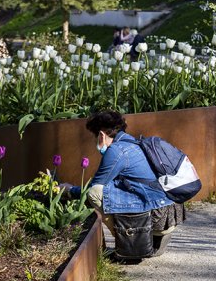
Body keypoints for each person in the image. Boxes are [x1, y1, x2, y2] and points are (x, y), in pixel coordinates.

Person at [61, 110, 182, 257]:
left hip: (156, 217)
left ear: (101, 135)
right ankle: (145, 240)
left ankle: (131, 245)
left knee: (95, 192)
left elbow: (95, 186)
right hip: (167, 215)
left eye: (95, 136)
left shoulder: (116, 150)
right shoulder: (135, 143)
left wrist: (68, 191)